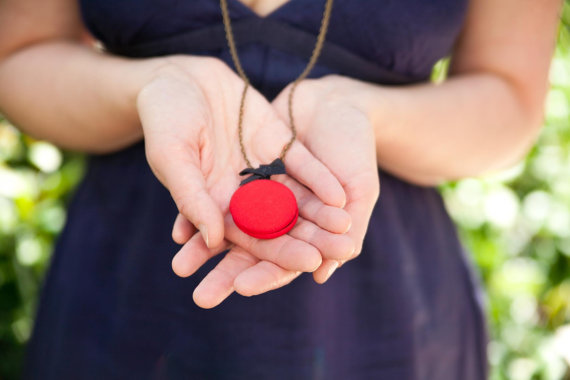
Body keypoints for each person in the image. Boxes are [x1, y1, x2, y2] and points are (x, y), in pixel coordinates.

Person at [0, 0, 561, 378]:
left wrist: (368, 113)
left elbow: (508, 99)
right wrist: (148, 86)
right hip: (124, 297)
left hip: (385, 306)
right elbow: (19, 57)